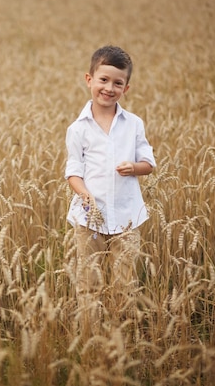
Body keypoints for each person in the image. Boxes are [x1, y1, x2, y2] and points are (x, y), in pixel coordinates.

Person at [64, 45, 156, 320]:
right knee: (88, 280)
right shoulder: (78, 129)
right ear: (89, 79)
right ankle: (90, 331)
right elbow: (73, 171)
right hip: (89, 217)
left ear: (126, 88)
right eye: (103, 80)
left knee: (124, 282)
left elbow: (149, 163)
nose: (109, 88)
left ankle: (121, 334)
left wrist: (135, 167)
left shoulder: (133, 124)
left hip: (127, 216)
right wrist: (84, 195)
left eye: (118, 83)